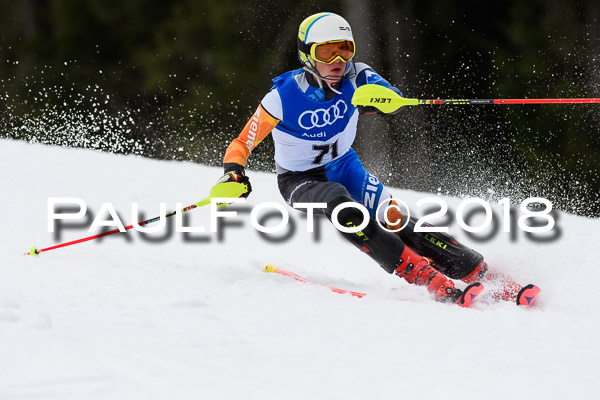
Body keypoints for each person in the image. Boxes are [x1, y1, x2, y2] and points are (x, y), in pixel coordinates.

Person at [211, 12, 539, 306]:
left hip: (345, 165)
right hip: (301, 180)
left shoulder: (359, 75)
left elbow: (391, 99)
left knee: (395, 216)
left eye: (345, 48)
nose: (338, 59)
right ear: (307, 55)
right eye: (326, 51)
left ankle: (479, 272)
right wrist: (233, 173)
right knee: (339, 203)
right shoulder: (282, 96)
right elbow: (243, 141)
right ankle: (421, 275)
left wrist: (383, 101)